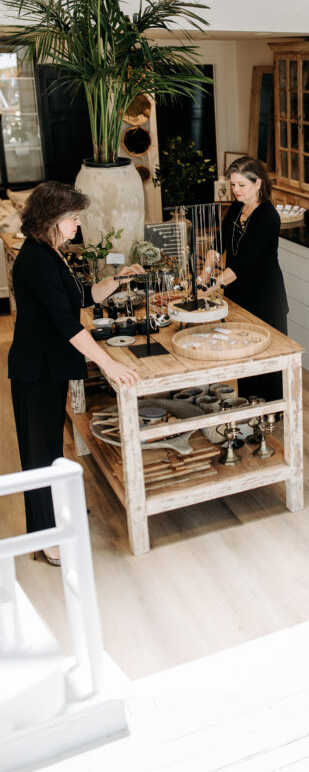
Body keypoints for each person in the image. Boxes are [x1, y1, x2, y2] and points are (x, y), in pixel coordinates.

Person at [8, 181, 143, 565]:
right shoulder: (35, 259)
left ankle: (53, 519)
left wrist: (118, 280)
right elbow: (68, 324)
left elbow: (81, 298)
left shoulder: (51, 253)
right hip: (35, 371)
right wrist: (109, 363)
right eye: (73, 218)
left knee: (51, 449)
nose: (77, 224)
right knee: (38, 456)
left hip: (49, 368)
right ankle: (46, 541)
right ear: (52, 219)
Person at [202, 156, 288, 399]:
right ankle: (249, 406)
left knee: (266, 358)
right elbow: (218, 243)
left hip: (264, 297)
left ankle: (269, 415)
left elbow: (244, 261)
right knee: (243, 352)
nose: (236, 190)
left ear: (258, 183)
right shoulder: (237, 208)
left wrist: (213, 285)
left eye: (241, 185)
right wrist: (205, 272)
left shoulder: (268, 216)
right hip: (239, 294)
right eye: (233, 185)